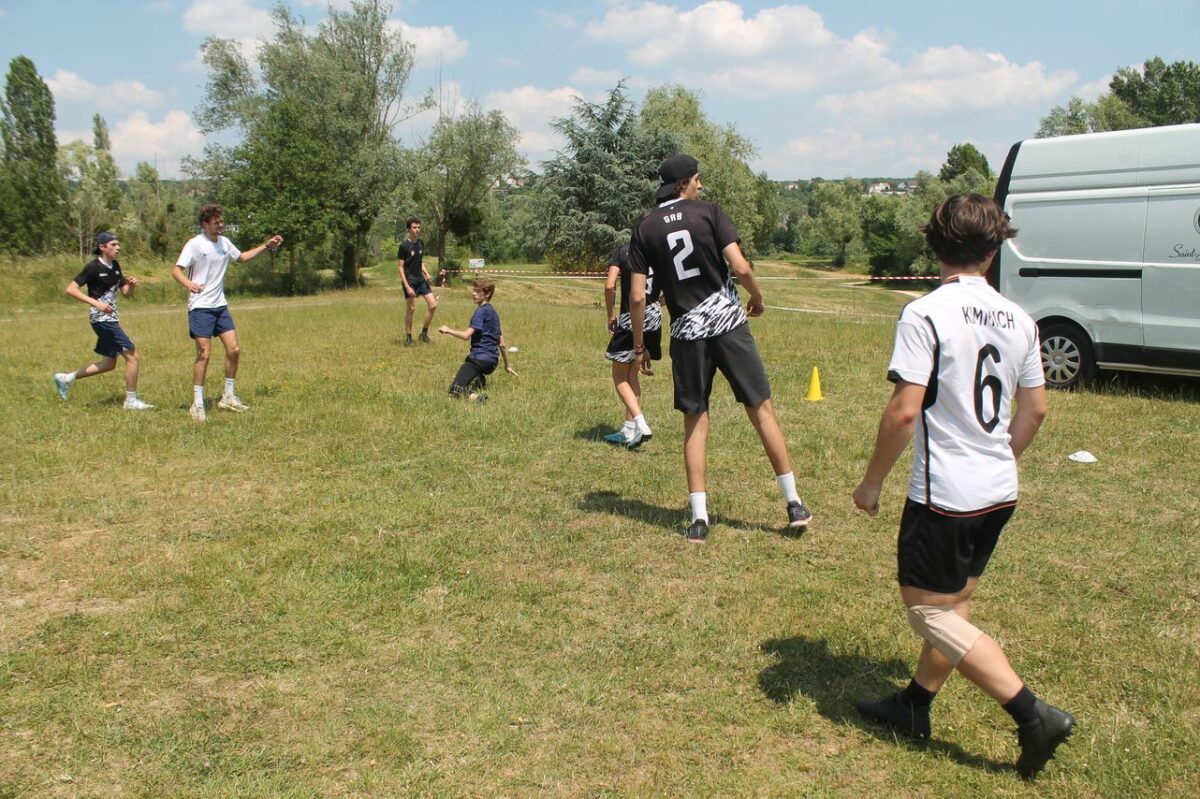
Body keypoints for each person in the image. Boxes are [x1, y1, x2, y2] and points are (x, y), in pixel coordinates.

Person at [851, 193, 1073, 781]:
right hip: (999, 489)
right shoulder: (1021, 320)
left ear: (934, 244)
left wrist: (872, 482)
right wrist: (995, 457)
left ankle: (1033, 715)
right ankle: (915, 705)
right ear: (994, 249)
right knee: (955, 602)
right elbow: (1036, 410)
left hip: (946, 494)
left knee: (929, 613)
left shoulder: (925, 313)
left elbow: (904, 411)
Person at [628, 154, 812, 543]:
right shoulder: (710, 213)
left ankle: (699, 518)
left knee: (695, 421)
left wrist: (641, 344)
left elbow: (638, 296)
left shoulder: (644, 227)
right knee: (761, 409)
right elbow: (740, 268)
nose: (701, 185)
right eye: (697, 179)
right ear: (684, 183)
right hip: (728, 325)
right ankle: (794, 502)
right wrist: (757, 297)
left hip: (687, 334)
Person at [172, 204, 282, 422]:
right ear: (205, 224)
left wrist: (265, 246)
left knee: (234, 349)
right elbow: (176, 270)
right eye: (216, 222)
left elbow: (241, 258)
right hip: (200, 307)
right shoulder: (195, 244)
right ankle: (197, 403)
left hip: (220, 306)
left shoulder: (224, 242)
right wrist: (188, 283)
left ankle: (228, 397)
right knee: (204, 354)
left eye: (221, 221)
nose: (220, 225)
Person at [53, 232, 154, 410]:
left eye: (118, 244)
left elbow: (126, 294)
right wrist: (96, 303)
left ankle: (65, 378)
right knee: (133, 356)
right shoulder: (93, 267)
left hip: (111, 319)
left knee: (108, 364)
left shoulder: (115, 266)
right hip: (101, 319)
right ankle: (131, 401)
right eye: (113, 244)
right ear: (102, 247)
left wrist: (131, 286)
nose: (118, 248)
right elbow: (71, 289)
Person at [602, 242, 661, 449]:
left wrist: (611, 314)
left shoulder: (622, 252)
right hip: (654, 316)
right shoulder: (658, 249)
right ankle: (629, 429)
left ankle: (640, 423)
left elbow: (609, 285)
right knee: (632, 374)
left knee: (619, 376)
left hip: (631, 316)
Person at [438, 277, 516, 402]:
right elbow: (502, 344)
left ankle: (478, 398)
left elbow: (466, 336)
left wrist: (448, 330)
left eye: (478, 291)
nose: (473, 293)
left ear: (487, 294)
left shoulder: (480, 311)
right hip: (492, 363)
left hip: (479, 359)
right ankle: (479, 380)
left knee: (455, 389)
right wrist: (507, 365)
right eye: (473, 290)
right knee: (467, 366)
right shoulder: (494, 314)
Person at [399, 217, 437, 345]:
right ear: (408, 229)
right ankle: (409, 338)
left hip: (421, 280)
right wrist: (407, 286)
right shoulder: (404, 246)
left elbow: (420, 262)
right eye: (414, 227)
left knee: (433, 305)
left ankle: (423, 334)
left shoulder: (421, 243)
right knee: (411, 309)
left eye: (419, 227)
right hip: (410, 282)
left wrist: (427, 273)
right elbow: (400, 267)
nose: (417, 230)